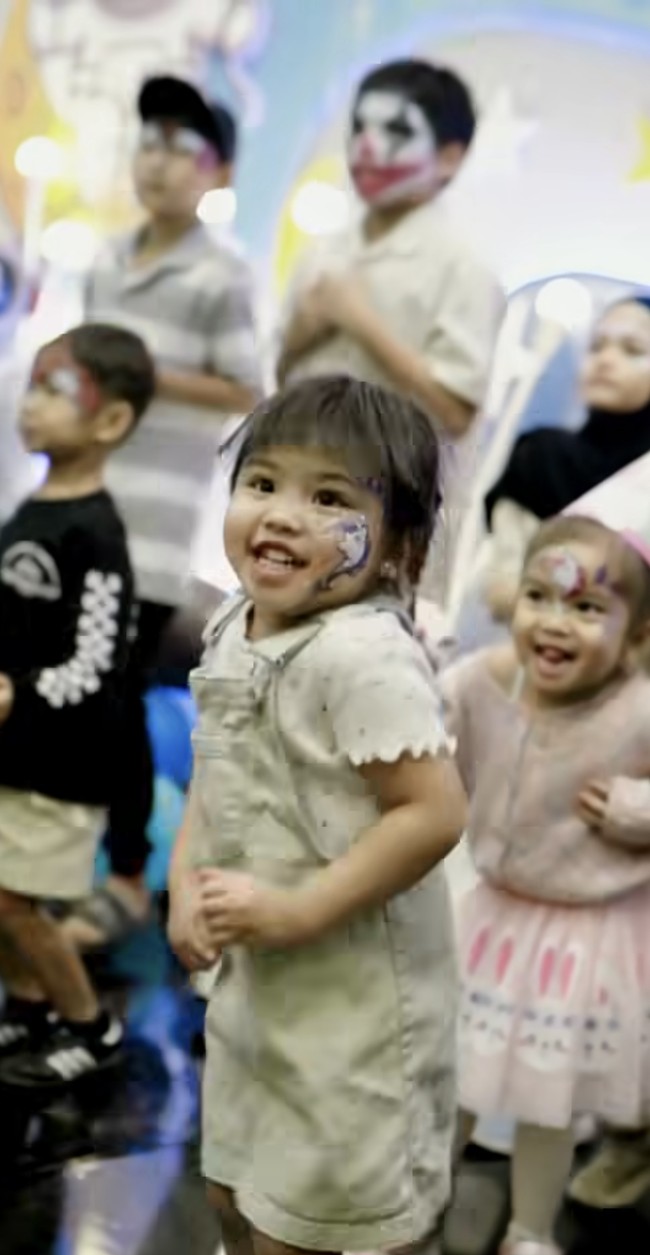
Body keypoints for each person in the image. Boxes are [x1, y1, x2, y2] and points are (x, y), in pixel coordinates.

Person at [168, 375, 467, 1255]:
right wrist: (186, 881)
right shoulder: (233, 624)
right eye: (263, 484)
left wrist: (301, 910)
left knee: (301, 1225)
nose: (283, 515)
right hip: (260, 983)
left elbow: (433, 813)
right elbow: (211, 772)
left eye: (329, 498)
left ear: (395, 548)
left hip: (355, 1000)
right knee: (232, 1187)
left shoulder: (362, 653)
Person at [63, 75, 263, 951]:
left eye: (183, 146)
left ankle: (123, 876)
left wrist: (136, 369)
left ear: (216, 172)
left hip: (152, 529)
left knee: (112, 707)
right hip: (80, 499)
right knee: (58, 696)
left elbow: (244, 385)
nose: (159, 161)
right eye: (150, 140)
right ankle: (58, 863)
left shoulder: (223, 273)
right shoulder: (107, 256)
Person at [443, 508, 650, 1255]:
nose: (556, 623)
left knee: (549, 1101)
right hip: (495, 919)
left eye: (588, 608)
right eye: (540, 597)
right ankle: (413, 1208)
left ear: (634, 634)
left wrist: (635, 808)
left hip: (581, 936)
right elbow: (427, 736)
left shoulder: (639, 708)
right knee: (453, 1081)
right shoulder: (483, 683)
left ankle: (530, 1228)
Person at [277, 58, 504, 613]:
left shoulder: (463, 268)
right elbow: (281, 379)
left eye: (398, 131)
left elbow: (455, 410)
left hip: (389, 523)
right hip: (296, 499)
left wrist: (361, 321)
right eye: (359, 128)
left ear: (450, 158)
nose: (368, 149)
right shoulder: (323, 251)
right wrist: (305, 330)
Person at [0, 323, 155, 1088]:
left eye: (54, 391)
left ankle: (90, 1024)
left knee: (16, 903)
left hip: (56, 765)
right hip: (12, 753)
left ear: (111, 421)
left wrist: (16, 694)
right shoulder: (32, 509)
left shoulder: (97, 531)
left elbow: (95, 664)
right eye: (31, 385)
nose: (30, 405)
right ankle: (27, 1007)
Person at [482, 294, 650, 623]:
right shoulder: (541, 457)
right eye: (596, 346)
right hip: (540, 650)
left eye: (632, 350)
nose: (605, 360)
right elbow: (501, 590)